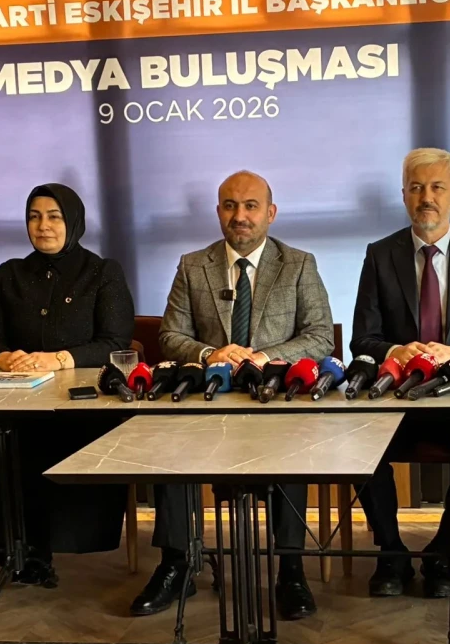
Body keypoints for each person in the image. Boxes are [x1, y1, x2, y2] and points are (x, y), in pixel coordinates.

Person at [132, 170, 334, 620]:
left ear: (270, 213)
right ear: (218, 211)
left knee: (294, 441)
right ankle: (177, 564)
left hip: (274, 398)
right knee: (169, 442)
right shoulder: (193, 264)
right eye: (230, 206)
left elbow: (320, 336)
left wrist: (264, 356)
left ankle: (290, 570)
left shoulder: (298, 264)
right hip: (209, 400)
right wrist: (211, 353)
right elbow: (170, 336)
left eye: (250, 206)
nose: (239, 216)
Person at [351, 148, 450, 598]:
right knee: (358, 439)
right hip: (396, 395)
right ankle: (391, 552)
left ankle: (444, 549)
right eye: (416, 188)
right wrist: (397, 350)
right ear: (403, 195)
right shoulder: (379, 255)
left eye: (437, 187)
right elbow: (363, 338)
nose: (427, 197)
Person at [0, 184, 134, 586]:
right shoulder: (10, 274)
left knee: (56, 437)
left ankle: (49, 544)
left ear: (73, 221)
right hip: (17, 397)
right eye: (34, 217)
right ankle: (14, 545)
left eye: (54, 216)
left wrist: (57, 359)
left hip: (80, 403)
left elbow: (115, 343)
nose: (43, 226)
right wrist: (6, 358)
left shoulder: (102, 272)